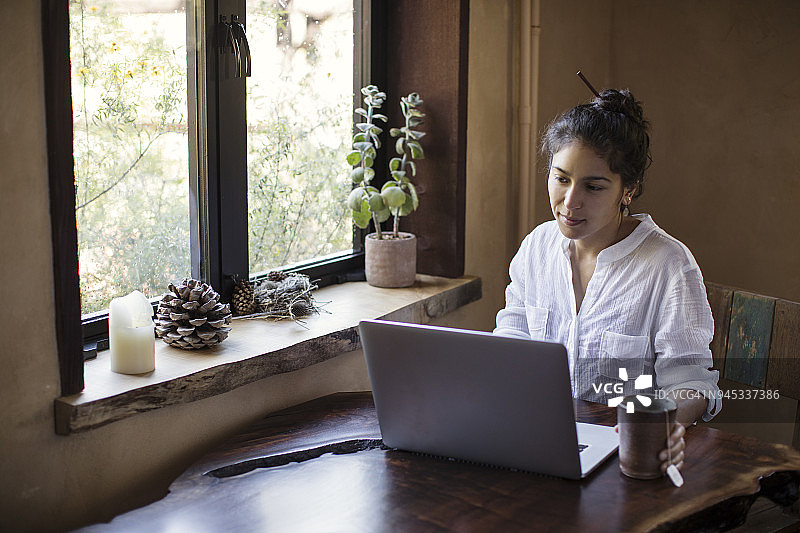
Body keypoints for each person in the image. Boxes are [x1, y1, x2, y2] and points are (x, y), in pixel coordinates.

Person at [494, 87, 721, 473]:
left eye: (593, 187)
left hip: (627, 460)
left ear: (627, 190)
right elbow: (512, 340)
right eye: (561, 179)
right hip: (538, 445)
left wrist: (660, 422)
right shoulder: (536, 248)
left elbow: (691, 384)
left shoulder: (668, 265)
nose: (570, 202)